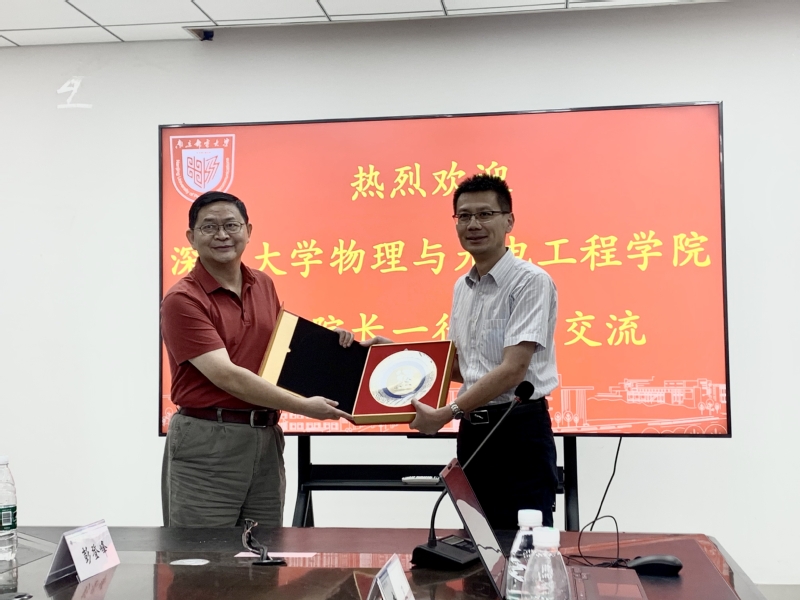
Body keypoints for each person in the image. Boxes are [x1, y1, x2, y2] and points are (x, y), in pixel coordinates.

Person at [160, 190, 354, 528]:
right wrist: (304, 407)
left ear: (248, 231)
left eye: (231, 225)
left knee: (264, 551)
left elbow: (281, 352)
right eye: (209, 227)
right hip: (208, 441)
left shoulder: (262, 283)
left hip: (265, 439)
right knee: (204, 554)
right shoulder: (182, 299)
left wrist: (333, 346)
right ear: (191, 238)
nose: (222, 235)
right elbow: (227, 375)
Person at [410, 174, 559, 530]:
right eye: (463, 216)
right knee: (477, 541)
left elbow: (512, 370)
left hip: (517, 431)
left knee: (521, 544)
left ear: (509, 221)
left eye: (485, 214)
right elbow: (466, 368)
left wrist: (447, 412)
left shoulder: (530, 281)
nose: (473, 224)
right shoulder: (462, 287)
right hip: (474, 432)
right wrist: (398, 355)